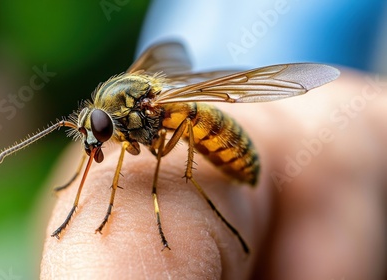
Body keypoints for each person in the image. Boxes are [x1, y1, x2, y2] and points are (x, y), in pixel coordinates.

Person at [40, 2, 387, 279]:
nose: (94, 141)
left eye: (95, 131)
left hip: (220, 128)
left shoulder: (137, 109)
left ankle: (190, 190)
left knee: (187, 122)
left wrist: (150, 196)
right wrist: (74, 193)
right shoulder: (115, 116)